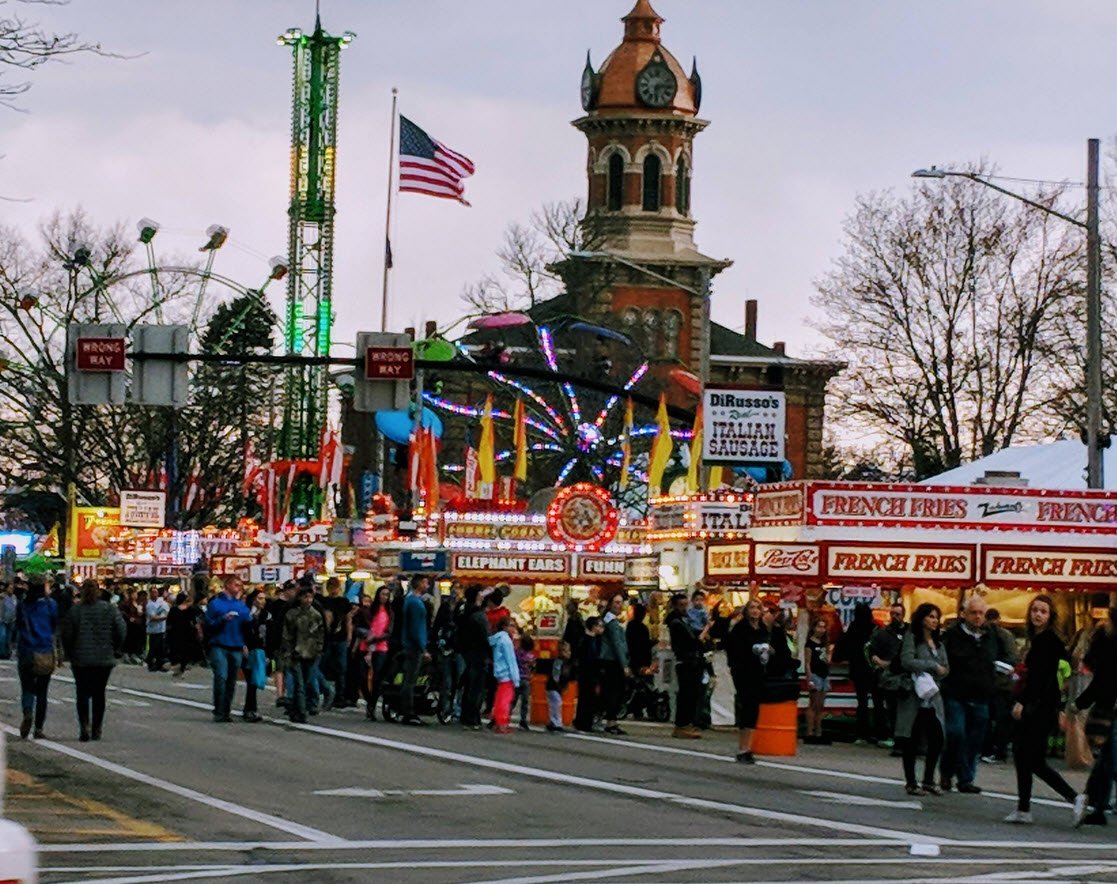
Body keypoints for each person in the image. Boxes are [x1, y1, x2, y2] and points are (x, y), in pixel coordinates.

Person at [1005, 595, 1085, 825]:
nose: (1037, 615)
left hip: (1038, 708)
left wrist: (1023, 701)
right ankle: (1024, 808)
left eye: (1043, 611)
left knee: (1030, 758)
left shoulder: (1046, 641)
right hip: (1043, 707)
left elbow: (1041, 678)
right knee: (1025, 757)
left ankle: (1073, 797)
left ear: (1050, 616)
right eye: (1035, 610)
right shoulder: (1040, 639)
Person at [940, 595, 1004, 794]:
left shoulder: (992, 635)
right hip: (956, 692)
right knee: (956, 733)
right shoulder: (952, 635)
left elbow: (1005, 655)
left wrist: (1000, 671)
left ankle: (965, 778)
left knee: (975, 739)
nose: (978, 617)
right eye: (973, 613)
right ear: (964, 614)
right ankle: (948, 771)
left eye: (981, 613)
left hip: (981, 693)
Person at [61, 579, 126, 741]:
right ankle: (97, 728)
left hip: (81, 658)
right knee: (99, 693)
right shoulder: (109, 609)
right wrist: (116, 647)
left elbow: (67, 634)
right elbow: (121, 630)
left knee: (82, 693)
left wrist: (69, 652)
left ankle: (84, 726)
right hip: (104, 657)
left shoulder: (75, 611)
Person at [896, 603, 948, 796]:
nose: (934, 621)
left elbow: (946, 667)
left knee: (937, 738)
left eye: (936, 617)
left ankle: (928, 779)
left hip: (933, 696)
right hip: (914, 695)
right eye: (931, 616)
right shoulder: (912, 638)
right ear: (922, 618)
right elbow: (907, 661)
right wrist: (931, 666)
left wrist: (940, 671)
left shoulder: (939, 643)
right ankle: (911, 782)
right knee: (911, 738)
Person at [1074, 605, 1117, 826]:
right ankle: (1098, 805)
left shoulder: (1107, 643)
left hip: (1109, 707)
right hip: (1108, 707)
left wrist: (1079, 703)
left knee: (1110, 760)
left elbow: (1102, 680)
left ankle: (1097, 804)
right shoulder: (1105, 640)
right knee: (1106, 760)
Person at [724, 599, 771, 763]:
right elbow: (732, 649)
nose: (755, 611)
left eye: (758, 608)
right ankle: (743, 747)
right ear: (746, 611)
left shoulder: (763, 629)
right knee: (747, 705)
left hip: (759, 671)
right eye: (752, 608)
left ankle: (748, 746)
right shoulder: (740, 629)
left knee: (754, 708)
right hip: (743, 671)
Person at [203, 575, 251, 724]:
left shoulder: (241, 605)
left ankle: (226, 710)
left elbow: (247, 626)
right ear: (228, 585)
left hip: (236, 645)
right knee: (221, 677)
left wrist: (245, 643)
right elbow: (208, 625)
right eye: (236, 585)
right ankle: (219, 710)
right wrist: (222, 619)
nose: (239, 588)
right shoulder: (216, 604)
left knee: (231, 680)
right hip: (219, 644)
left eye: (240, 585)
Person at [16, 575, 59, 740]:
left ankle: (27, 711)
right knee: (42, 691)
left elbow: (18, 624)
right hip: (45, 650)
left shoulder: (23, 605)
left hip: (26, 649)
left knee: (27, 687)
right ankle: (39, 728)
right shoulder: (50, 604)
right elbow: (54, 625)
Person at [839, 603, 882, 746]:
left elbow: (845, 648)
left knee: (862, 702)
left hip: (858, 669)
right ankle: (879, 732)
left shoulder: (853, 628)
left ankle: (862, 732)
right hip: (874, 669)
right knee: (878, 702)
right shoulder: (875, 628)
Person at [666, 591, 708, 739]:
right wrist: (703, 634)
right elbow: (691, 642)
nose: (684, 608)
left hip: (690, 661)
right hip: (686, 662)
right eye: (681, 605)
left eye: (686, 605)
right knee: (686, 694)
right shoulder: (676, 623)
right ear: (675, 606)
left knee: (691, 694)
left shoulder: (684, 621)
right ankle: (682, 724)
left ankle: (686, 723)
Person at [281, 586, 325, 724]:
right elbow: (286, 635)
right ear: (300, 598)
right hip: (296, 652)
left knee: (306, 682)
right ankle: (300, 711)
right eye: (306, 597)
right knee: (299, 684)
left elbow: (321, 635)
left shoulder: (316, 615)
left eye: (310, 597)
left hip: (311, 653)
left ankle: (297, 708)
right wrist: (287, 651)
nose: (308, 600)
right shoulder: (292, 614)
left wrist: (319, 650)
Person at [870, 601, 908, 752]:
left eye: (897, 614)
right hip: (889, 676)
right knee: (892, 708)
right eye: (892, 614)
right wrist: (881, 663)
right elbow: (872, 652)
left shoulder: (910, 632)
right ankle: (892, 736)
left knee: (905, 709)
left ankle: (904, 738)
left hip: (906, 675)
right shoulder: (883, 633)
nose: (894, 617)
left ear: (903, 615)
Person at [982, 607, 1018, 764]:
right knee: (1002, 719)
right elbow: (1013, 657)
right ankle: (1000, 750)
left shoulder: (984, 634)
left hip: (988, 683)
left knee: (987, 718)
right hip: (1003, 684)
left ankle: (988, 749)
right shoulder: (1006, 635)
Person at [456, 584, 490, 730]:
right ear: (477, 596)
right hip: (479, 654)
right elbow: (485, 637)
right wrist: (490, 652)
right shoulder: (479, 615)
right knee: (476, 687)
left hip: (467, 652)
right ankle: (472, 717)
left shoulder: (464, 611)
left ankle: (465, 715)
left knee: (468, 684)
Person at [400, 575, 431, 725]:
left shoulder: (409, 600)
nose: (428, 585)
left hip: (409, 644)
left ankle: (406, 708)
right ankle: (408, 711)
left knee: (409, 678)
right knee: (410, 680)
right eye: (426, 582)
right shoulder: (416, 603)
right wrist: (422, 648)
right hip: (414, 647)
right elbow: (416, 628)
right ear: (419, 584)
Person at [598, 592, 631, 736]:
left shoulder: (610, 620)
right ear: (610, 604)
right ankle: (611, 721)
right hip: (612, 661)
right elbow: (617, 644)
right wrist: (624, 665)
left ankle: (607, 719)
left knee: (609, 691)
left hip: (609, 661)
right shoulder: (611, 622)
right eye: (616, 602)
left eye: (621, 602)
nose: (619, 605)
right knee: (614, 692)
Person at [319, 577, 354, 709]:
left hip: (340, 638)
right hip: (328, 639)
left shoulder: (343, 602)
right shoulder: (324, 602)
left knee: (341, 667)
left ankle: (340, 696)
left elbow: (348, 619)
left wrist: (349, 635)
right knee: (324, 666)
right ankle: (327, 691)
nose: (334, 590)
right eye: (331, 587)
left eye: (335, 587)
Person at [433, 583, 464, 723]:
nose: (456, 591)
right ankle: (445, 708)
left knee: (460, 680)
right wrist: (435, 641)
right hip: (444, 647)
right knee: (447, 681)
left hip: (459, 647)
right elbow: (437, 625)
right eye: (454, 588)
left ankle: (457, 708)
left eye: (458, 588)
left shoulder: (463, 607)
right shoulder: (445, 607)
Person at [265, 581, 297, 707]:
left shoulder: (294, 604)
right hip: (279, 640)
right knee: (280, 667)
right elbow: (270, 625)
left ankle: (286, 694)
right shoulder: (275, 605)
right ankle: (280, 694)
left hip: (291, 640)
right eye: (292, 590)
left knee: (286, 668)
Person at [365, 584, 394, 720]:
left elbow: (389, 631)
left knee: (377, 678)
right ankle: (369, 701)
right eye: (383, 594)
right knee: (363, 676)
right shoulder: (372, 610)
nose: (385, 597)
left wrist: (375, 639)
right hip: (367, 646)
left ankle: (372, 704)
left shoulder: (390, 611)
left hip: (381, 647)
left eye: (387, 595)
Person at [489, 616, 520, 734]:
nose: (513, 629)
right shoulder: (506, 641)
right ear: (504, 627)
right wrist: (516, 678)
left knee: (500, 698)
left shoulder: (497, 639)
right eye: (511, 626)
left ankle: (498, 721)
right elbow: (511, 660)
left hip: (500, 672)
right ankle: (502, 723)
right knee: (505, 700)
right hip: (507, 674)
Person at [241, 589, 268, 723]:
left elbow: (270, 634)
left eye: (264, 598)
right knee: (251, 680)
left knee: (255, 681)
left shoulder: (266, 615)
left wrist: (269, 652)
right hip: (248, 650)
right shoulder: (246, 614)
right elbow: (240, 630)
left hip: (260, 650)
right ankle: (250, 709)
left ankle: (250, 708)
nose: (263, 601)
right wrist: (242, 645)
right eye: (259, 598)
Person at [573, 616, 604, 732]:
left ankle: (583, 721)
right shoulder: (586, 640)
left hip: (589, 673)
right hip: (587, 673)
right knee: (587, 698)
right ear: (593, 627)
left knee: (586, 698)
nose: (601, 629)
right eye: (599, 626)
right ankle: (584, 722)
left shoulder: (594, 640)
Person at [803, 618, 831, 744]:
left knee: (820, 705)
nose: (821, 630)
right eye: (819, 627)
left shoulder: (824, 644)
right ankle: (810, 731)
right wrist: (809, 679)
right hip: (815, 675)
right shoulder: (810, 644)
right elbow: (807, 662)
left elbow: (827, 659)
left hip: (824, 674)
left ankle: (819, 731)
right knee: (813, 703)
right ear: (814, 628)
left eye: (823, 627)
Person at [166, 591, 203, 678]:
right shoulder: (190, 610)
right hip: (187, 633)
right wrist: (200, 632)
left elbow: (169, 623)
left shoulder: (173, 610)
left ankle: (177, 667)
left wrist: (167, 633)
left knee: (176, 651)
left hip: (175, 633)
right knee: (185, 651)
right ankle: (182, 668)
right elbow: (195, 622)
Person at [510, 633, 536, 731]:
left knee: (513, 700)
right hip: (526, 680)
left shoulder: (516, 653)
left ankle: (505, 716)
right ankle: (523, 720)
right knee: (525, 702)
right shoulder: (531, 656)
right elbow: (533, 666)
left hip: (516, 679)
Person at [545, 640, 573, 733]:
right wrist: (559, 685)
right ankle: (556, 723)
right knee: (556, 703)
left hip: (556, 687)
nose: (569, 653)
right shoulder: (559, 662)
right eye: (567, 651)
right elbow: (556, 675)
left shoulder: (566, 662)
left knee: (555, 704)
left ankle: (554, 721)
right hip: (553, 686)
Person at [144, 587, 170, 672]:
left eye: (156, 592)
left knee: (160, 648)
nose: (154, 594)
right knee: (153, 648)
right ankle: (150, 663)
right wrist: (164, 617)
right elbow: (153, 617)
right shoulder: (149, 605)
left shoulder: (160, 602)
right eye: (153, 592)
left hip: (161, 629)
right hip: (153, 630)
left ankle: (159, 664)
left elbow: (166, 609)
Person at [120, 589, 146, 664]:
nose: (135, 595)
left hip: (138, 624)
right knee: (129, 639)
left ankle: (134, 653)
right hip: (130, 624)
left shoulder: (138, 603)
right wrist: (129, 618)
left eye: (136, 594)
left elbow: (140, 613)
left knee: (136, 639)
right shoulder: (127, 603)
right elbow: (124, 613)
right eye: (134, 594)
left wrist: (141, 612)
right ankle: (127, 654)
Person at [0, 582, 17, 659]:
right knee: (2, 636)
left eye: (12, 588)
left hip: (11, 620)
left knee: (8, 638)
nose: (12, 590)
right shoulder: (2, 597)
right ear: (6, 588)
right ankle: (2, 653)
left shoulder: (14, 597)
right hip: (2, 620)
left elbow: (15, 607)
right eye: (10, 588)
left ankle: (7, 653)